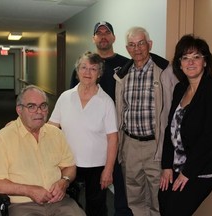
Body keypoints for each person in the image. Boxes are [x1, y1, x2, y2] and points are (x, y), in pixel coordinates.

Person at [158, 34, 212, 216]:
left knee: (175, 210)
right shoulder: (180, 89)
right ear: (179, 63)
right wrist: (166, 165)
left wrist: (187, 173)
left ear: (205, 62)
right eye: (185, 58)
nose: (190, 62)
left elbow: (211, 138)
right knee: (163, 199)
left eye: (196, 57)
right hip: (180, 162)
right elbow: (171, 128)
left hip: (205, 164)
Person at [0, 85, 85, 216]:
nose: (39, 111)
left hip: (59, 202)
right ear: (19, 110)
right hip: (23, 205)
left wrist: (64, 181)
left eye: (43, 106)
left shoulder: (56, 134)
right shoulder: (3, 138)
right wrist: (29, 190)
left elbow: (69, 166)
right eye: (31, 106)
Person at [113, 26, 178, 216]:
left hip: (155, 145)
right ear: (127, 49)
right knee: (134, 195)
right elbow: (121, 109)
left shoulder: (166, 72)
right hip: (130, 145)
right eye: (132, 45)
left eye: (141, 43)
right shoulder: (122, 75)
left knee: (159, 196)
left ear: (149, 44)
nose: (137, 48)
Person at [70, 21, 132, 216]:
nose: (103, 36)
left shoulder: (125, 64)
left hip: (119, 131)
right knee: (87, 183)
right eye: (99, 33)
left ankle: (121, 212)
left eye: (107, 33)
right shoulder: (84, 67)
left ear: (113, 38)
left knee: (117, 177)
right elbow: (72, 99)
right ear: (93, 38)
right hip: (91, 135)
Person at [49, 51, 118, 216]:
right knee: (67, 205)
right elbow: (51, 128)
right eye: (84, 67)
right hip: (68, 162)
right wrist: (23, 126)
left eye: (93, 69)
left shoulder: (106, 102)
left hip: (96, 165)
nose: (87, 72)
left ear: (99, 74)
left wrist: (108, 170)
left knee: (97, 207)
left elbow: (113, 139)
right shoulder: (65, 97)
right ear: (77, 71)